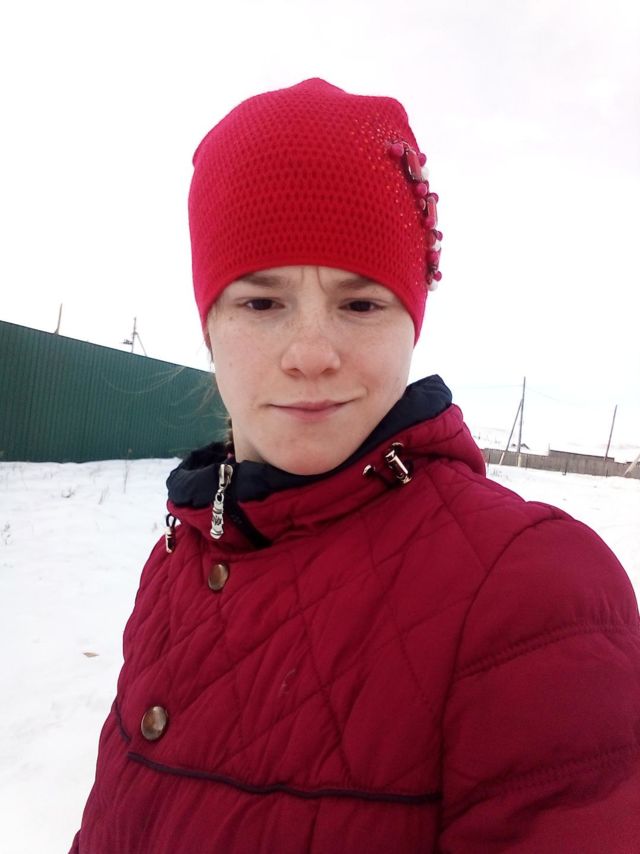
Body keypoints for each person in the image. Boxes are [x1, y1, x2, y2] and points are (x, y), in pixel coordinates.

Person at [71, 78, 640, 853]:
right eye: (261, 303)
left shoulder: (535, 590)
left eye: (361, 303)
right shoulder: (179, 561)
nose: (311, 354)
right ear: (209, 326)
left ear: (413, 323)